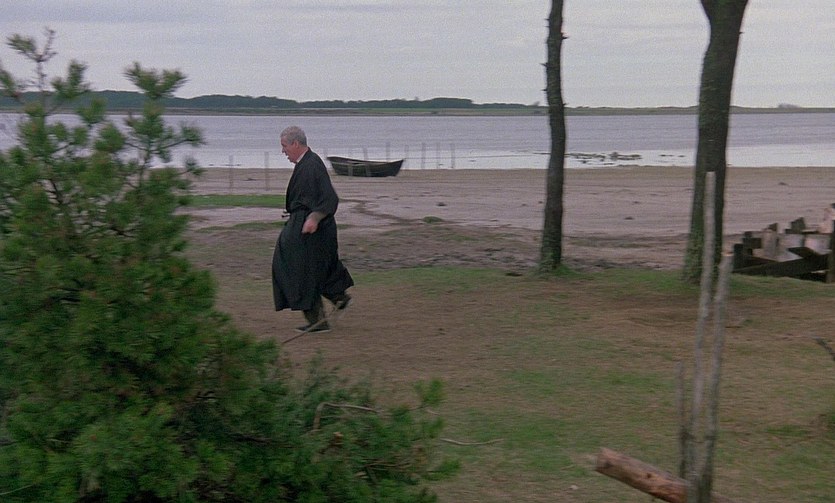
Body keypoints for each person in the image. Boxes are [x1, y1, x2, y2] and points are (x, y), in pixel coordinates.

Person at [272, 126, 353, 333]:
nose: (283, 151)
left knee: (299, 269)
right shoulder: (305, 164)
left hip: (314, 228)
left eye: (284, 146)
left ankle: (323, 315)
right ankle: (336, 300)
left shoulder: (312, 165)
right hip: (305, 225)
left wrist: (314, 218)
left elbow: (330, 199)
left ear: (295, 144)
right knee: (308, 269)